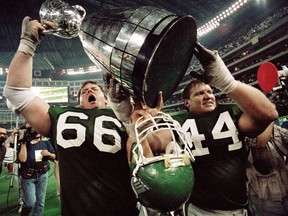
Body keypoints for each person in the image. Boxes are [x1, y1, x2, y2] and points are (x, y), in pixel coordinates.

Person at [4, 16, 139, 216]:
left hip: (122, 207)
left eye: (94, 88)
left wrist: (129, 119)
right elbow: (15, 91)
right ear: (79, 102)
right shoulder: (62, 115)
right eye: (84, 92)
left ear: (105, 98)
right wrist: (28, 44)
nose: (89, 91)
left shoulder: (124, 113)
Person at [168, 43, 278, 215]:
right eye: (200, 93)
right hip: (198, 209)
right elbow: (153, 141)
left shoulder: (230, 111)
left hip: (237, 207)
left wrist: (227, 82)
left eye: (210, 91)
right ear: (186, 102)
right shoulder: (176, 121)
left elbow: (269, 114)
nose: (208, 95)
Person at [245, 122, 288, 216]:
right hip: (267, 195)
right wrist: (270, 119)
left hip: (285, 186)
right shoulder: (246, 133)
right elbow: (260, 144)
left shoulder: (276, 129)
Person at [17, 123, 56, 216]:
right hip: (28, 176)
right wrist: (23, 143)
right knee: (30, 203)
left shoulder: (45, 142)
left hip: (43, 175)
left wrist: (49, 154)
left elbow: (54, 157)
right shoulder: (24, 143)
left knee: (40, 203)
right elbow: (22, 159)